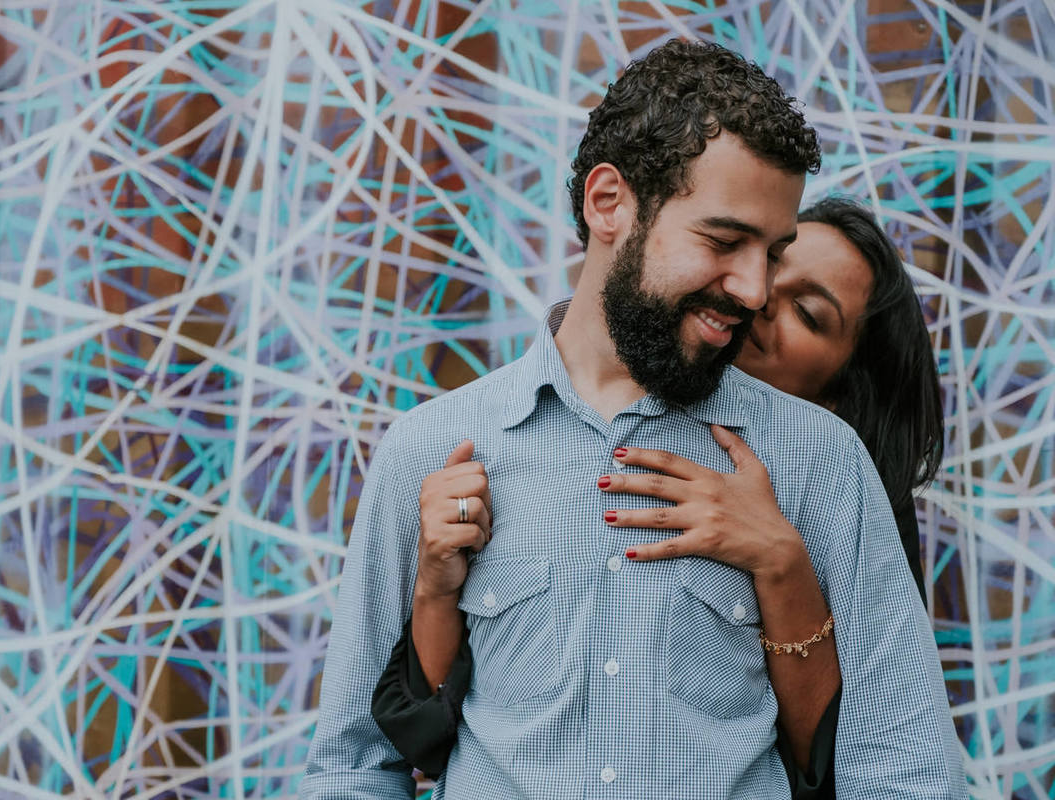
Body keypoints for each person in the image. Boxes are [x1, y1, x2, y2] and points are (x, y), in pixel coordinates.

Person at [301, 41, 964, 799]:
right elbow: (352, 768)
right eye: (723, 241)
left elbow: (907, 774)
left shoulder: (819, 461)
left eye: (772, 252)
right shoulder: (429, 449)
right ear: (608, 202)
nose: (753, 290)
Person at [369, 197, 945, 798]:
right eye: (766, 264)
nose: (756, 294)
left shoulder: (833, 474)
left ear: (839, 395)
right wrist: (435, 585)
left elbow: (860, 764)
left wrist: (781, 560)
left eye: (807, 311)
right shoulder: (475, 443)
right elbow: (414, 745)